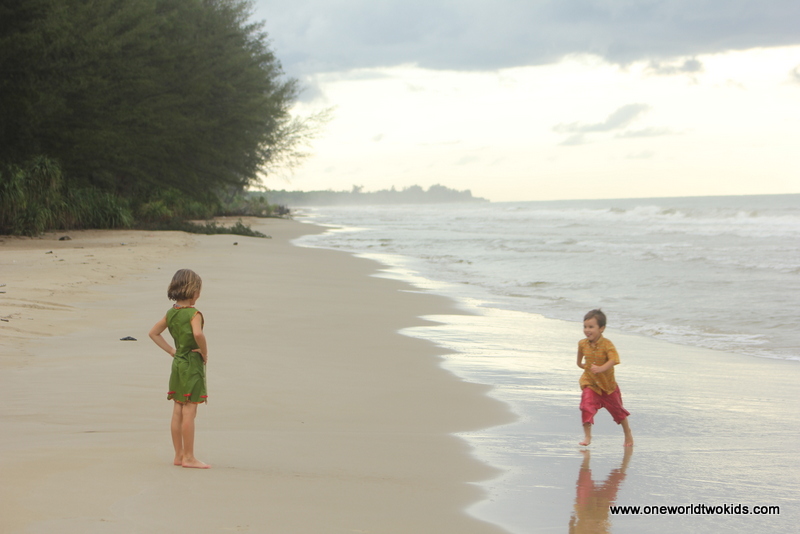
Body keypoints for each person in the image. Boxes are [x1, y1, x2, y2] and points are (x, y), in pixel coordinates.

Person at [149, 269, 210, 468]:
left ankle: (179, 455)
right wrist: (204, 352)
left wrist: (172, 351)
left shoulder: (171, 313)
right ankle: (189, 457)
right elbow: (198, 334)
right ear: (194, 291)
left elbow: (153, 333)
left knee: (178, 409)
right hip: (191, 363)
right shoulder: (194, 314)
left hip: (178, 363)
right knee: (190, 411)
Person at [576, 309, 633, 447]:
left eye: (591, 327)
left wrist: (601, 368)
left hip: (608, 386)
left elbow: (614, 359)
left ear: (601, 328)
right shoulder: (582, 343)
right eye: (585, 326)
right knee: (586, 406)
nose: (587, 330)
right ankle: (587, 436)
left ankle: (628, 434)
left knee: (618, 412)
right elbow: (580, 356)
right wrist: (579, 364)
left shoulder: (607, 344)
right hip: (590, 383)